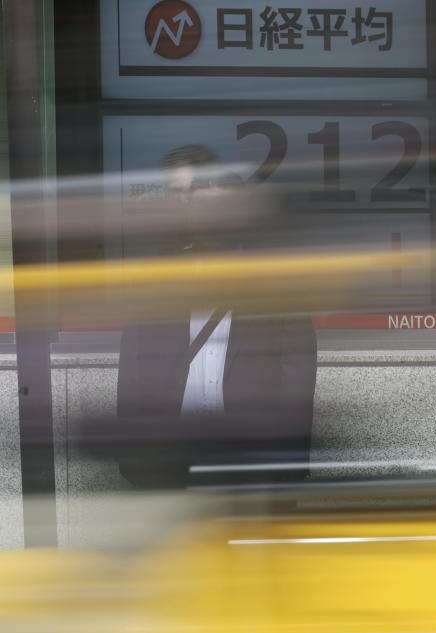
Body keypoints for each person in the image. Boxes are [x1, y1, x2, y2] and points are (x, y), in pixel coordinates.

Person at [115, 145, 317, 488]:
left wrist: (287, 459)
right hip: (171, 454)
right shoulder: (156, 273)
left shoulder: (276, 273)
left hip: (250, 453)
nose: (185, 203)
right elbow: (134, 366)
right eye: (178, 194)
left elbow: (296, 370)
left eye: (194, 192)